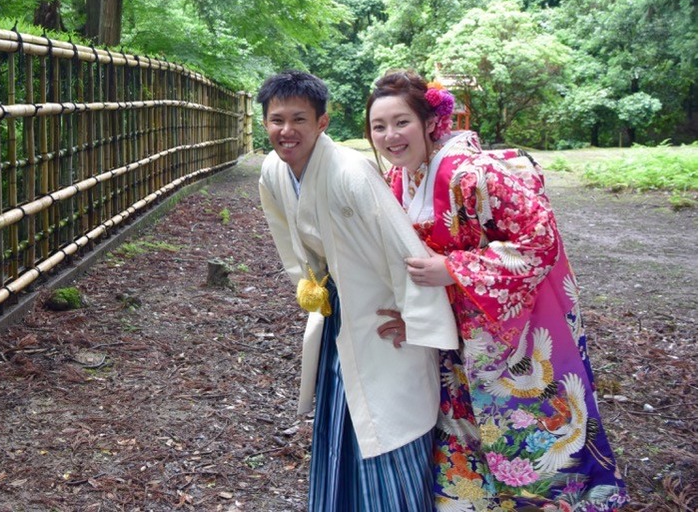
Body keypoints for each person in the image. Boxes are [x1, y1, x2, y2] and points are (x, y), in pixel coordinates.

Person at [366, 69, 628, 511]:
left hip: (510, 323)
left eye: (401, 122)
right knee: (462, 418)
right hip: (454, 326)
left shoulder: (474, 171)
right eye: (379, 126)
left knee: (530, 423)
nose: (390, 135)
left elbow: (540, 238)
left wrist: (454, 268)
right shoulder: (398, 177)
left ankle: (554, 499)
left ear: (430, 122)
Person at [256, 70, 459, 511]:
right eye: (276, 120)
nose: (286, 131)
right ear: (265, 122)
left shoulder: (351, 172)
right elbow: (285, 232)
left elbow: (403, 249)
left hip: (384, 318)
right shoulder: (274, 170)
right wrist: (308, 282)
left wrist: (418, 319)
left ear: (322, 122)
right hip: (341, 314)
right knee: (344, 421)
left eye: (299, 119)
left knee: (388, 424)